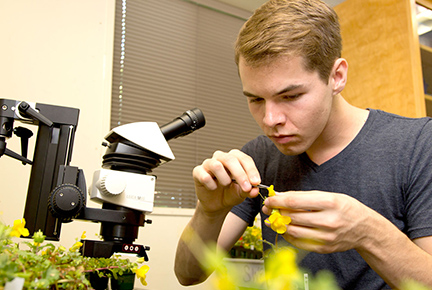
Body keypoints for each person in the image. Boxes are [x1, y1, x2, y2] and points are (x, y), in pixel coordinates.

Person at [174, 0, 432, 289]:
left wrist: (367, 232)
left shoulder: (418, 145)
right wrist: (209, 212)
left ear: (337, 77)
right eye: (256, 99)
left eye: (290, 96)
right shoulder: (259, 157)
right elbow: (188, 274)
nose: (271, 119)